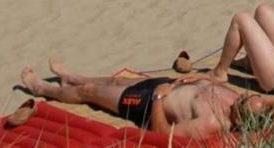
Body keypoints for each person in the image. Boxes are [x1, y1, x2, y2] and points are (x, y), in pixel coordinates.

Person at [18, 58, 259, 138]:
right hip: (168, 86)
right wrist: (199, 78)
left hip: (149, 103)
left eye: (241, 105)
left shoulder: (211, 122)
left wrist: (157, 98)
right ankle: (71, 77)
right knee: (116, 81)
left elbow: (161, 134)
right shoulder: (237, 99)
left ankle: (42, 89)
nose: (238, 99)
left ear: (240, 120)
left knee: (89, 92)